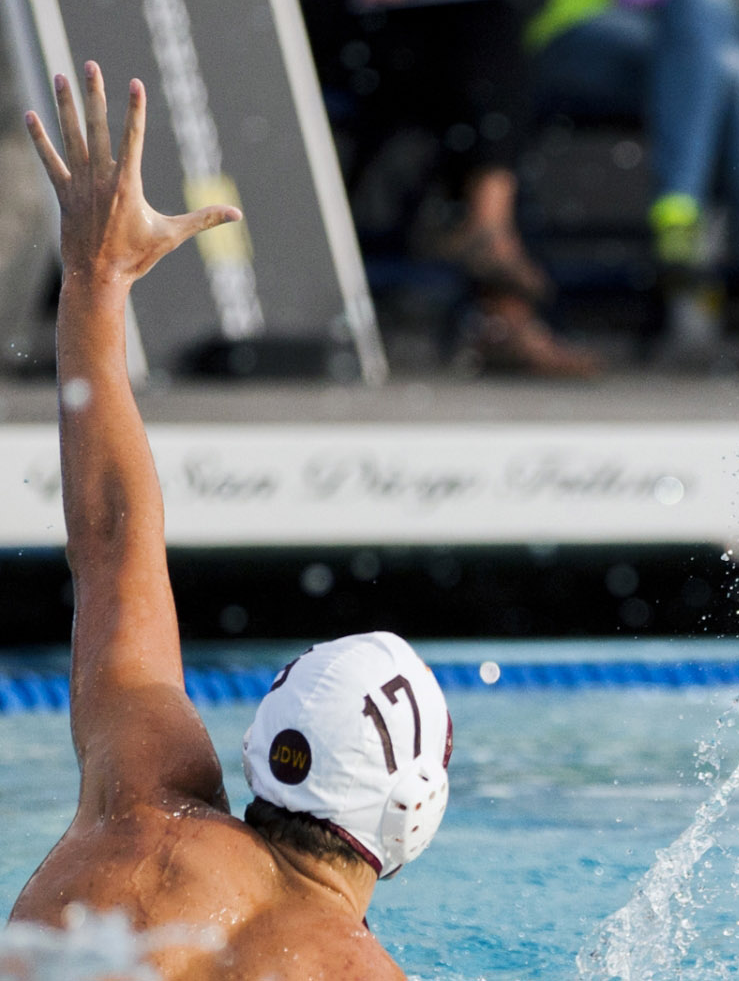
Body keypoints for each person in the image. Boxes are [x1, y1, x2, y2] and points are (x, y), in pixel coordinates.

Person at [10, 63, 452, 978]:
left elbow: (112, 537)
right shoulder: (356, 971)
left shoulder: (139, 791)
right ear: (416, 809)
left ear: (263, 746)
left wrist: (96, 277)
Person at [469, 0, 739, 368]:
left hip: (691, 27)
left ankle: (677, 212)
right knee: (737, 76)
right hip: (587, 27)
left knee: (708, 23)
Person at [279, 0, 600, 377]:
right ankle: (499, 287)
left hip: (414, 15)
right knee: (486, 80)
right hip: (317, 12)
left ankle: (491, 237)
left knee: (492, 33)